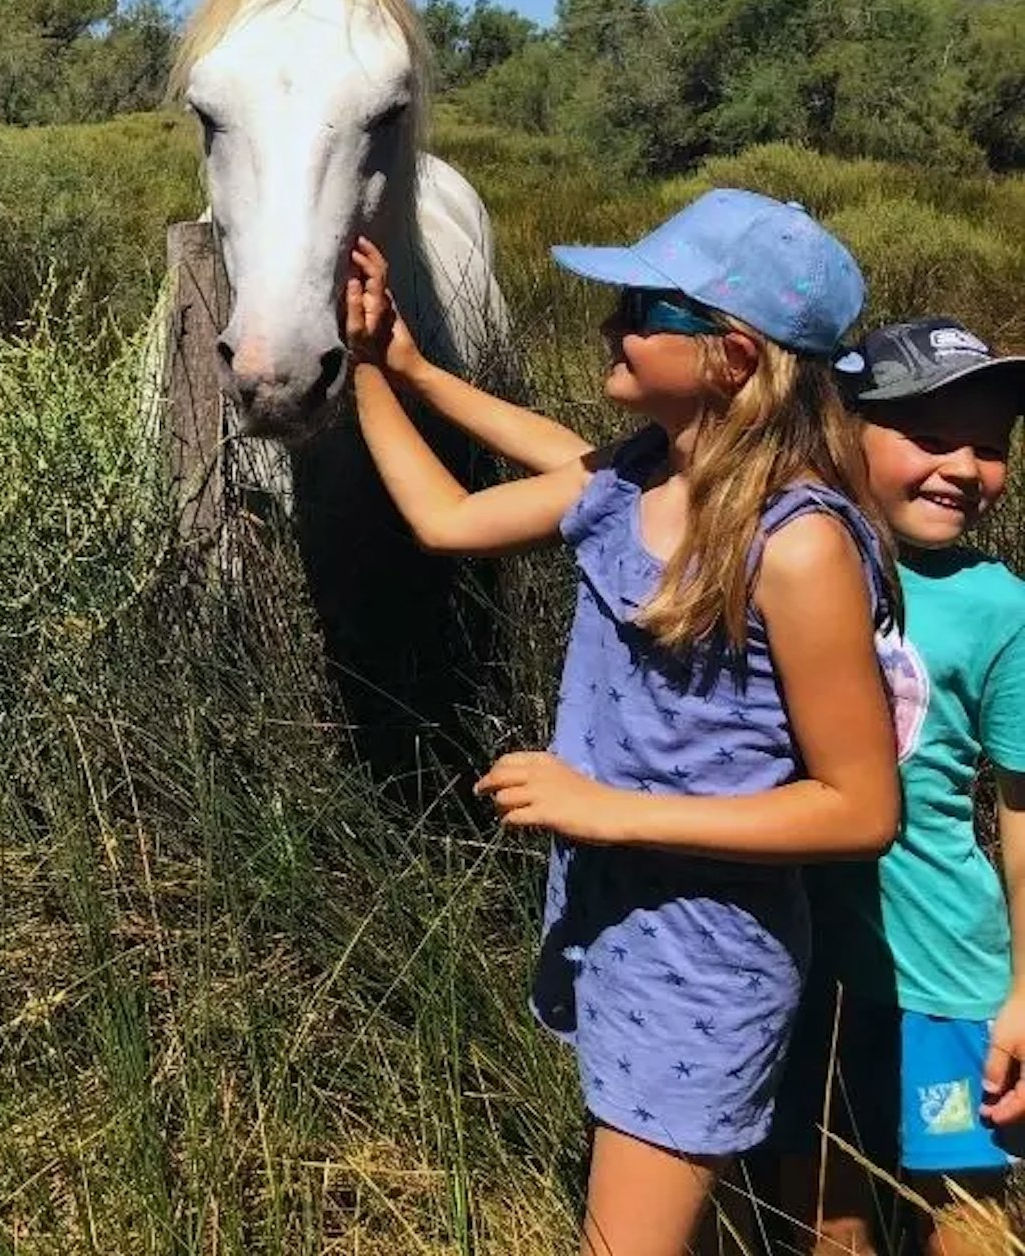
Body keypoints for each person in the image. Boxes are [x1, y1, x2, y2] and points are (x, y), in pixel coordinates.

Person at [340, 189, 903, 1256]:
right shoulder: (643, 474)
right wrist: (383, 367)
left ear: (732, 356)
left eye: (643, 309)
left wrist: (607, 809)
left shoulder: (797, 547)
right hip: (613, 919)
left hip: (703, 961)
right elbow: (448, 518)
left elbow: (860, 808)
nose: (610, 323)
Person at [762, 317, 1025, 1255]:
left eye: (990, 447)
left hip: (941, 968)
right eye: (930, 436)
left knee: (962, 1205)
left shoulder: (1000, 606)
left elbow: (1020, 816)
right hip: (796, 963)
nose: (964, 468)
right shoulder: (779, 549)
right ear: (844, 428)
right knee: (824, 1205)